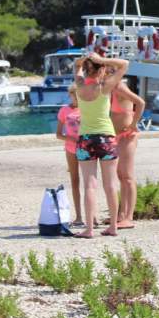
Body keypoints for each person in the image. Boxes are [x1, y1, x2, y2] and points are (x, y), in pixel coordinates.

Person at [73, 52, 128, 238]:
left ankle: (89, 229)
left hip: (85, 138)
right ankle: (113, 226)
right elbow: (124, 64)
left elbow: (76, 66)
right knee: (110, 184)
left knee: (89, 185)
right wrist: (102, 60)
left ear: (86, 69)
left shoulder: (79, 86)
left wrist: (84, 60)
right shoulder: (104, 87)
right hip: (105, 137)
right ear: (102, 69)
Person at [111, 78, 146, 229]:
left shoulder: (119, 86)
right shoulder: (109, 88)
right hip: (116, 136)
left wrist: (133, 124)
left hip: (127, 136)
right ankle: (121, 214)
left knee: (127, 176)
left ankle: (129, 217)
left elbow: (140, 102)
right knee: (120, 176)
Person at [56, 86, 83, 226]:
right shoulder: (64, 110)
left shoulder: (87, 108)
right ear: (70, 95)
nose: (77, 98)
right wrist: (70, 139)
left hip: (86, 148)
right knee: (75, 181)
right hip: (71, 149)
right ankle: (79, 215)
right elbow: (58, 134)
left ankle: (93, 216)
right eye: (74, 95)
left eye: (79, 95)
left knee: (90, 182)